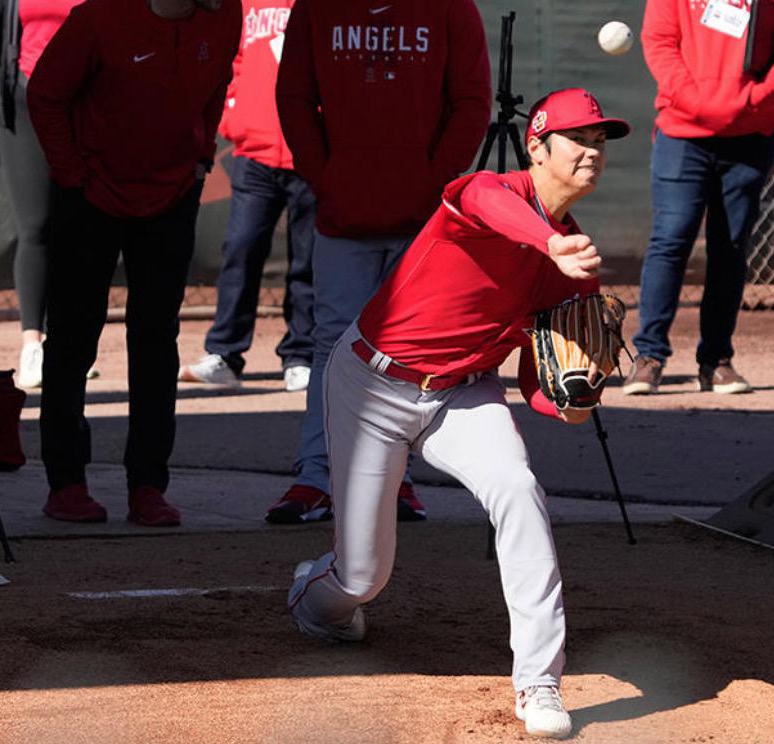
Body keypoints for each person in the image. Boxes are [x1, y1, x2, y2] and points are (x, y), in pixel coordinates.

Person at [287, 87, 629, 740]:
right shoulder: (486, 194)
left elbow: (537, 386)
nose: (592, 152)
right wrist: (549, 246)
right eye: (579, 138)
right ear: (537, 146)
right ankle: (314, 597)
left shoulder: (573, 264)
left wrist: (575, 400)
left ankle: (539, 683)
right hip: (371, 384)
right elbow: (483, 202)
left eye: (601, 142)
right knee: (363, 576)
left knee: (520, 490)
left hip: (464, 394)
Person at [265, 0, 491, 524]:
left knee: (406, 352)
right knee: (333, 342)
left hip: (422, 221)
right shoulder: (316, 7)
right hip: (344, 213)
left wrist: (432, 183)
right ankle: (317, 477)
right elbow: (294, 98)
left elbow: (471, 102)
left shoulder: (451, 7)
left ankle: (395, 480)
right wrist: (326, 178)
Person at [27, 0, 241, 526]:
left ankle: (147, 485)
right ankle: (67, 483)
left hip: (170, 197)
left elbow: (216, 87)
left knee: (155, 337)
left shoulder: (224, 13)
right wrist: (73, 175)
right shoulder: (99, 17)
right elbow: (45, 95)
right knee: (74, 336)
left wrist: (199, 158)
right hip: (90, 196)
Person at [622, 0, 774, 396]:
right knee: (671, 237)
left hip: (750, 133)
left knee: (729, 247)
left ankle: (716, 362)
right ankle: (649, 357)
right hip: (682, 131)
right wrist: (698, 101)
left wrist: (755, 98)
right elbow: (660, 41)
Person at [178, 0, 316, 392]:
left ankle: (300, 355)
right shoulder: (245, 3)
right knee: (240, 249)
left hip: (309, 152)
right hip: (254, 153)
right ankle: (224, 353)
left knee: (308, 260)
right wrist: (232, 116)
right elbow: (231, 61)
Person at [0, 0, 85, 389]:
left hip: (88, 105)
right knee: (37, 225)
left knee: (80, 226)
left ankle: (71, 343)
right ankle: (34, 343)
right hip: (21, 105)